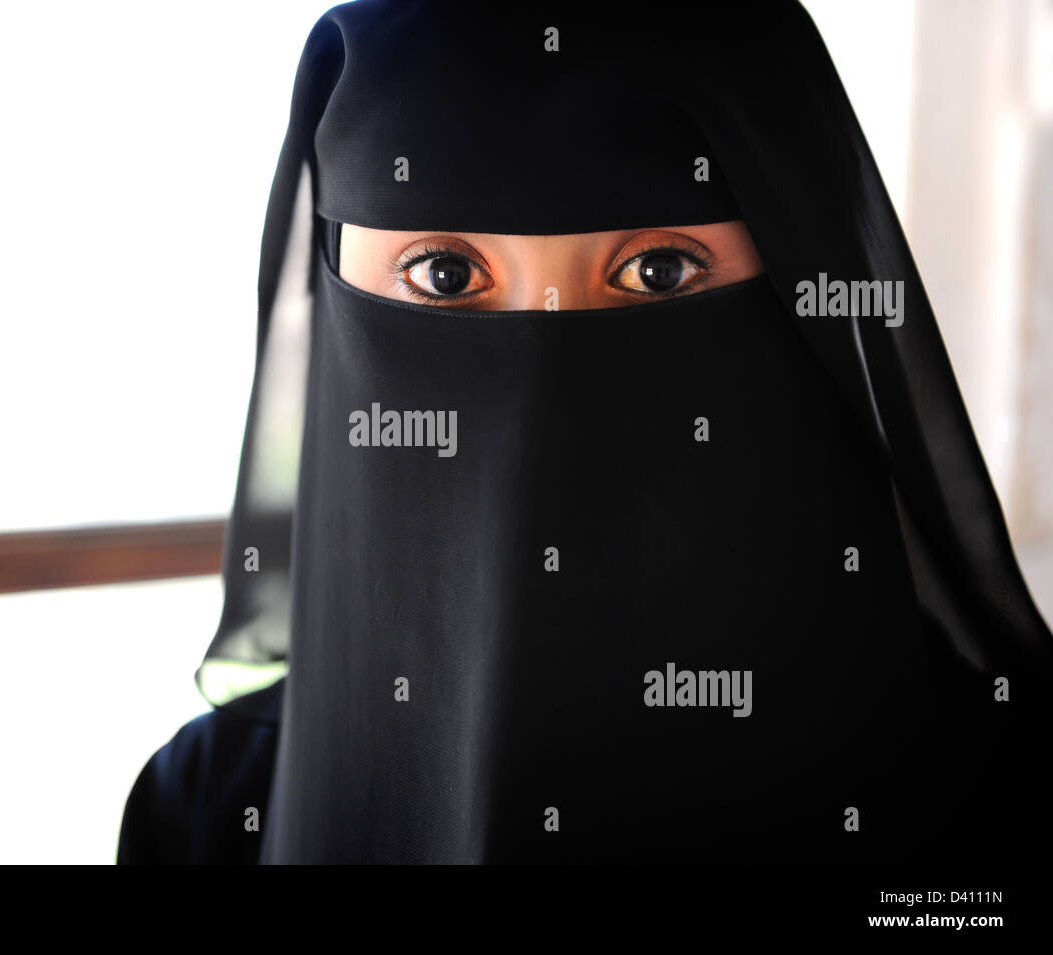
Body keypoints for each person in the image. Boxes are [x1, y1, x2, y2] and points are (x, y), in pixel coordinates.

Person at [118, 0, 1053, 865]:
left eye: (657, 273)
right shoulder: (204, 820)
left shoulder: (998, 807)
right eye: (445, 274)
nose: (542, 392)